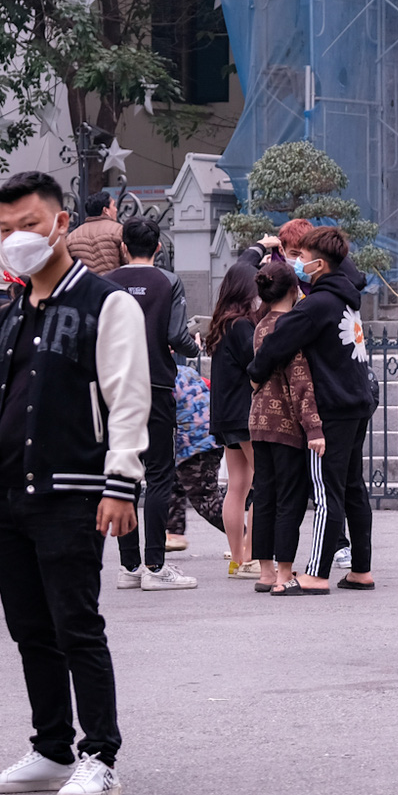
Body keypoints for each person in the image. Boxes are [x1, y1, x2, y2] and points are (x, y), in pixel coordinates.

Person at [0, 171, 150, 795]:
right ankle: (49, 746)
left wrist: (121, 486)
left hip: (75, 490)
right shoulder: (9, 313)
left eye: (29, 225)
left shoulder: (106, 302)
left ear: (61, 223)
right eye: (6, 230)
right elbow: (1, 393)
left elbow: (128, 401)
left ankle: (100, 755)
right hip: (8, 494)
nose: (17, 239)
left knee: (77, 626)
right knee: (29, 628)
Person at [249, 225, 379, 592]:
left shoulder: (315, 306)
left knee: (326, 492)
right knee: (352, 487)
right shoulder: (346, 297)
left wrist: (254, 374)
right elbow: (349, 269)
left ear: (320, 265)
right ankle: (361, 569)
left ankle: (317, 572)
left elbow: (276, 344)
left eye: (303, 257)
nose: (297, 263)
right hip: (357, 403)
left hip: (334, 408)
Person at [108, 215, 199, 591]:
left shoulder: (106, 283)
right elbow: (178, 335)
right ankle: (156, 565)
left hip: (114, 389)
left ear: (124, 247)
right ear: (158, 248)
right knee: (159, 473)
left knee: (122, 472)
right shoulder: (168, 281)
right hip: (156, 384)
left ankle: (129, 566)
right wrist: (195, 348)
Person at [247, 260, 326, 595]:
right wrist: (314, 428)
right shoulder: (291, 326)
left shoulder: (261, 324)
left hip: (258, 421)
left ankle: (265, 572)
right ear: (295, 290)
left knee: (264, 495)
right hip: (286, 425)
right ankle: (284, 575)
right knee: (289, 499)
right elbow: (301, 384)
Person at [205, 259, 259, 578]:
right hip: (245, 413)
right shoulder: (242, 325)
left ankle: (237, 558)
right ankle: (251, 556)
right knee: (266, 480)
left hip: (225, 415)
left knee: (237, 485)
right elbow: (256, 364)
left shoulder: (221, 323)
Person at [166, 362, 227, 544]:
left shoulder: (160, 374)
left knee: (205, 498)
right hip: (211, 434)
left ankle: (245, 539)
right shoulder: (186, 371)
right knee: (173, 481)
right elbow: (208, 386)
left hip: (195, 444)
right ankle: (175, 532)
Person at [65, 192, 128, 276]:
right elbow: (128, 262)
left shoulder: (72, 236)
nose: (116, 209)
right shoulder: (118, 230)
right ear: (105, 210)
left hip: (84, 286)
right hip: (112, 285)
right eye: (113, 205)